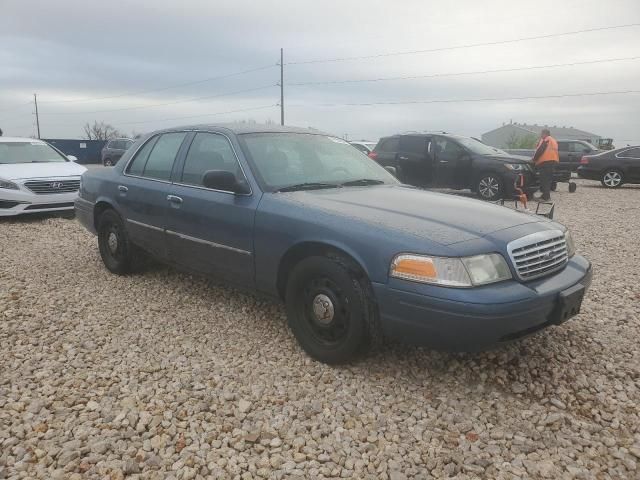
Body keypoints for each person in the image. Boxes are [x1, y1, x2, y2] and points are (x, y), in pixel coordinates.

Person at [532, 128, 559, 201]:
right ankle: (546, 196)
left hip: (545, 162)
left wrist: (534, 159)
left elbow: (540, 150)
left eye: (541, 134)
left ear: (545, 134)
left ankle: (546, 197)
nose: (540, 135)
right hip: (553, 162)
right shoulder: (553, 140)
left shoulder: (546, 140)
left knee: (544, 180)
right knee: (547, 180)